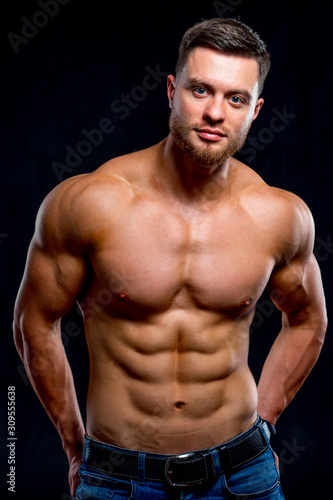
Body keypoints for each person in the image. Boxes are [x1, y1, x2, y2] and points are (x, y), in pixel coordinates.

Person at [13, 17, 327, 500]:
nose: (215, 112)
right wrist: (77, 449)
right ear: (170, 89)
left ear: (256, 110)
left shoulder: (279, 216)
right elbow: (34, 324)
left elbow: (308, 320)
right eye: (200, 90)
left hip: (242, 473)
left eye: (235, 98)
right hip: (116, 476)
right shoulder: (89, 203)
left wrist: (261, 426)